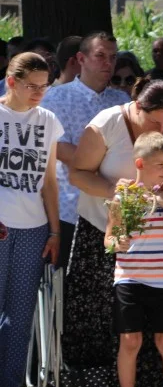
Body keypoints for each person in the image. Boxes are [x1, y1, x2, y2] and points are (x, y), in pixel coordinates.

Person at [65, 81, 163, 387]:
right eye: (157, 122)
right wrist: (119, 194)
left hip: (159, 249)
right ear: (138, 106)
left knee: (162, 335)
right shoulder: (108, 122)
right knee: (108, 325)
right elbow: (78, 173)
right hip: (103, 230)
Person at [104, 132, 163, 387]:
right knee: (130, 340)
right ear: (140, 162)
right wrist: (118, 242)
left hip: (162, 279)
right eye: (160, 164)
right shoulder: (123, 195)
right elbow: (109, 239)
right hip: (128, 277)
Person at [0, 52, 62, 387]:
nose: (39, 93)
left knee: (21, 312)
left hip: (34, 226)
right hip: (2, 222)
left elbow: (49, 181)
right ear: (12, 82)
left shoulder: (49, 120)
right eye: (32, 86)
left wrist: (54, 231)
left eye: (44, 86)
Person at [41, 32, 131, 270]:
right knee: (66, 290)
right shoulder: (56, 97)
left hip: (113, 209)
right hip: (71, 209)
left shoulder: (121, 101)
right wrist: (105, 166)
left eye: (112, 57)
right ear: (81, 59)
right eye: (100, 55)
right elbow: (59, 148)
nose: (108, 63)